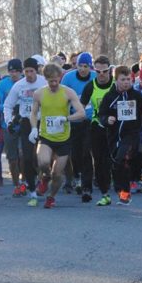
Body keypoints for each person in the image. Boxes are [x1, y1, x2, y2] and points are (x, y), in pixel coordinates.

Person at [28, 63, 85, 208]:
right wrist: (34, 128)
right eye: (50, 81)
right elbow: (33, 113)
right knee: (43, 162)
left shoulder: (68, 92)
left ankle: (51, 196)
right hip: (46, 136)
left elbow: (81, 113)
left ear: (60, 77)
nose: (53, 83)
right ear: (46, 79)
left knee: (57, 174)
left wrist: (66, 118)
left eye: (56, 80)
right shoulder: (39, 93)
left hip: (63, 138)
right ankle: (44, 179)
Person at [98, 65, 142, 206]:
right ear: (116, 80)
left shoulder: (137, 96)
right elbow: (101, 114)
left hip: (132, 134)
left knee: (123, 158)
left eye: (129, 79)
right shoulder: (109, 96)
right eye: (123, 80)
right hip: (114, 136)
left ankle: (125, 192)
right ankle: (121, 189)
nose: (126, 82)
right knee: (117, 162)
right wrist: (106, 120)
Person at [3, 57, 47, 205]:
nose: (29, 74)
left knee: (41, 158)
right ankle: (32, 190)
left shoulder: (44, 82)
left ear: (37, 70)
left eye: (32, 71)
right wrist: (9, 121)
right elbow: (8, 105)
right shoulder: (18, 86)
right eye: (26, 71)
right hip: (26, 123)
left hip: (43, 122)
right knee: (26, 157)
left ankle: (43, 179)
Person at [80, 56, 116, 206]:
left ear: (110, 70)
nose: (101, 74)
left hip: (114, 126)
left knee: (106, 160)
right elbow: (80, 105)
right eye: (98, 71)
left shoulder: (116, 84)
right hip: (96, 125)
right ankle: (87, 188)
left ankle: (107, 186)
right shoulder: (90, 86)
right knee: (88, 154)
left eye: (105, 71)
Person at [60, 52, 96, 201]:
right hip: (73, 120)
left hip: (89, 120)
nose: (82, 69)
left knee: (86, 151)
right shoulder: (68, 78)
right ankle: (76, 176)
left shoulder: (94, 77)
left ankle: (87, 182)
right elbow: (62, 99)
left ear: (90, 66)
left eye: (85, 66)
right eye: (79, 65)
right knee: (75, 153)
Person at [0, 59, 24, 188]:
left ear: (21, 71)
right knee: (12, 158)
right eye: (11, 71)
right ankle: (16, 184)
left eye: (17, 71)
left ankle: (25, 180)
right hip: (8, 124)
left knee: (24, 154)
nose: (14, 74)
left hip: (25, 123)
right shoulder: (2, 84)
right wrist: (11, 107)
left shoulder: (26, 83)